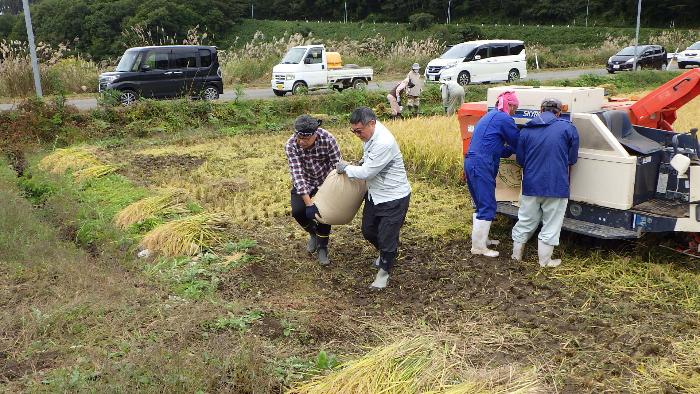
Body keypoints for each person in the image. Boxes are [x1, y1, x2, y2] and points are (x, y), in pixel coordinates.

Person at [336, 107, 411, 289]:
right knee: (368, 230)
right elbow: (368, 161)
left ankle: (384, 271)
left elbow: (368, 172)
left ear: (371, 123)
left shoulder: (383, 142)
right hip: (376, 194)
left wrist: (346, 168)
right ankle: (388, 252)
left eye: (359, 131)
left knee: (386, 237)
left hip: (394, 197)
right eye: (353, 131)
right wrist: (361, 161)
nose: (357, 135)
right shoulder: (370, 135)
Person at [511, 98, 579, 267]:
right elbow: (572, 159)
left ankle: (516, 256)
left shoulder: (526, 130)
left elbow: (520, 160)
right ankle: (545, 261)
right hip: (557, 186)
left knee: (525, 220)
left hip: (531, 184)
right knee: (552, 223)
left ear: (540, 110)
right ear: (559, 112)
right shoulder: (568, 128)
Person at [464, 91, 520, 257]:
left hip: (473, 162)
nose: (515, 111)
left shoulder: (490, 116)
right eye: (515, 108)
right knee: (488, 205)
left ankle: (482, 240)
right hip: (482, 164)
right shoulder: (504, 118)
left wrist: (508, 150)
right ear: (509, 105)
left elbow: (497, 147)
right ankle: (478, 247)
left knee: (481, 203)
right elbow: (518, 141)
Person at [285, 114, 342, 266]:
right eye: (299, 138)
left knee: (323, 214)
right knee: (298, 211)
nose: (302, 142)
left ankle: (322, 248)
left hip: (326, 181)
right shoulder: (291, 145)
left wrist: (326, 192)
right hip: (306, 181)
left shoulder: (328, 139)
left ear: (315, 134)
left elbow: (337, 167)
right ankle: (312, 233)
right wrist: (309, 204)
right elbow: (297, 175)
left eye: (306, 139)